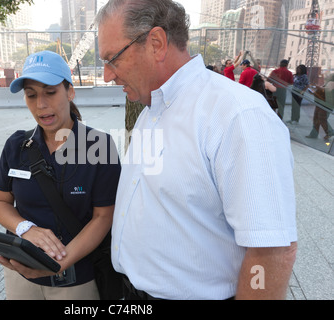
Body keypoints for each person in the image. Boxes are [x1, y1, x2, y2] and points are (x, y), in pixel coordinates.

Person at [96, 0, 297, 300]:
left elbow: (271, 252)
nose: (106, 75)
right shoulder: (149, 112)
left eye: (113, 59)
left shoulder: (237, 116)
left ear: (156, 43)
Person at [0, 50, 121, 300]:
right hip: (20, 273)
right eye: (31, 95)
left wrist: (58, 263)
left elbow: (103, 217)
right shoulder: (17, 145)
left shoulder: (99, 146)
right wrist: (25, 228)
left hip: (75, 279)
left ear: (69, 92)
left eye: (50, 92)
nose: (41, 104)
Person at [306, 74, 334, 142]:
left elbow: (327, 90)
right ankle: (314, 134)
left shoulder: (332, 83)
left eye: (329, 75)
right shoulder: (327, 83)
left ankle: (330, 132)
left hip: (325, 104)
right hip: (321, 103)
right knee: (316, 118)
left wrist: (318, 87)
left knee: (321, 118)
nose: (327, 76)